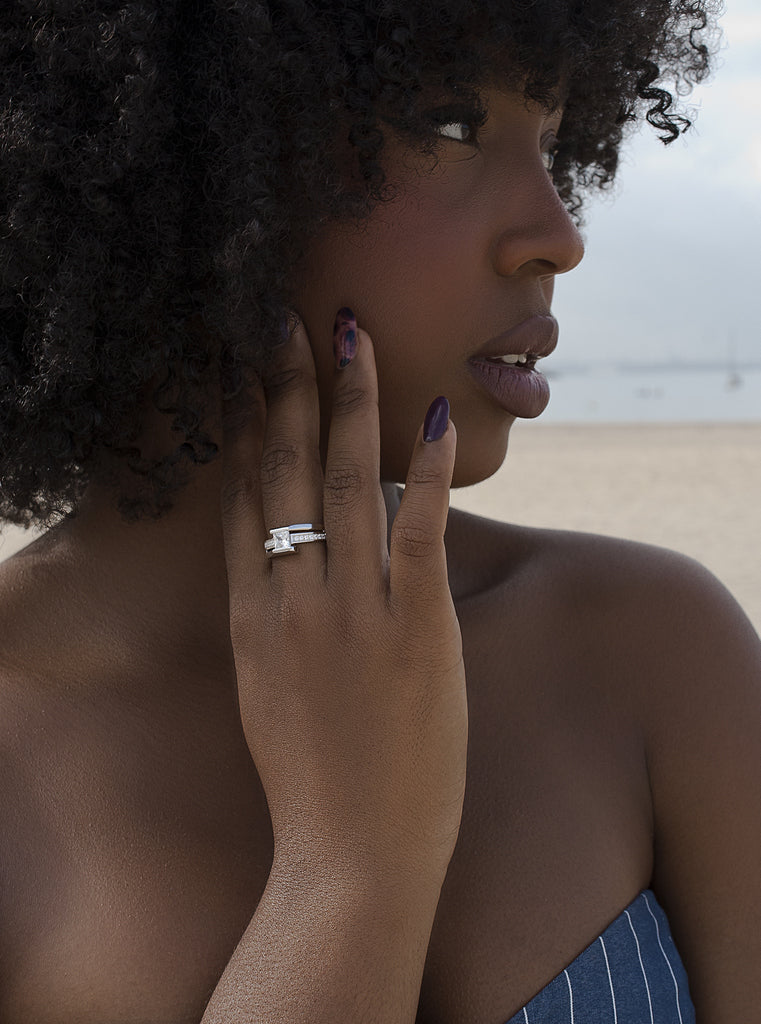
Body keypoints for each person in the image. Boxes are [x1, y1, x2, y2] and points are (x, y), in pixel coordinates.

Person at [0, 1, 759, 1022]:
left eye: (551, 143)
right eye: (450, 124)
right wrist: (350, 864)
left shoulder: (655, 649)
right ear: (184, 162)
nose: (558, 237)